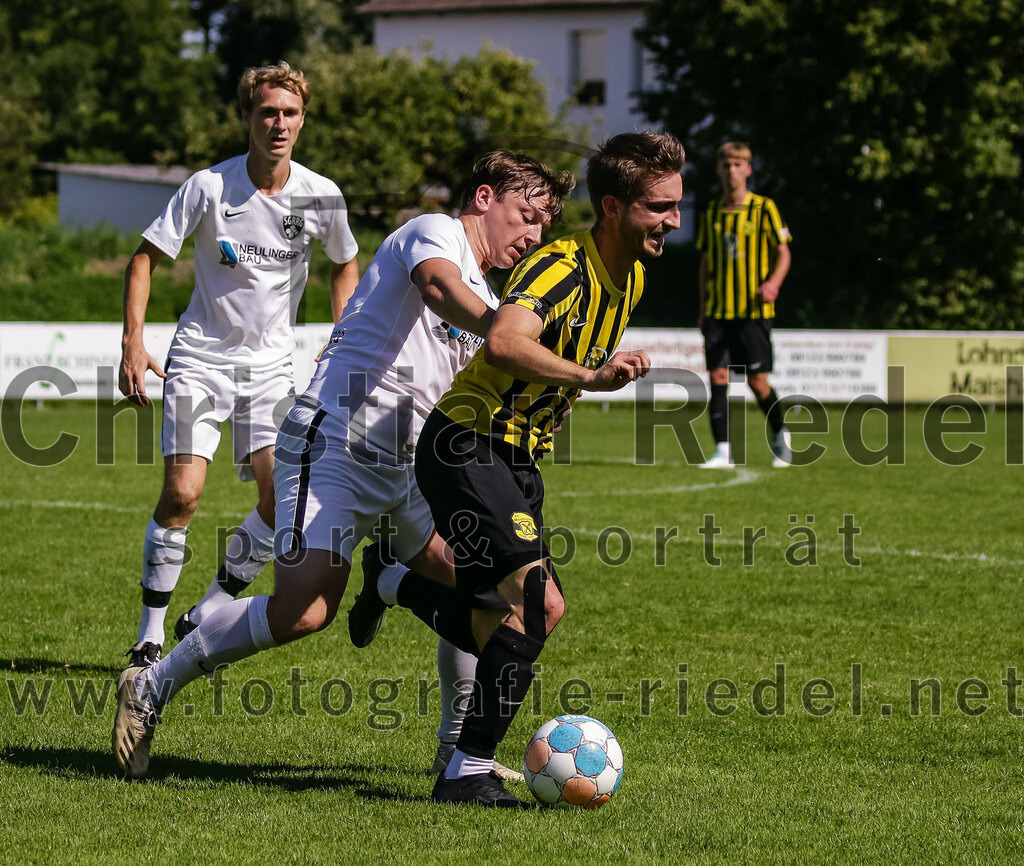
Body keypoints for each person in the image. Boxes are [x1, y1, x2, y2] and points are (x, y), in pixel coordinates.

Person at [111, 151, 575, 782]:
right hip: (336, 447)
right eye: (528, 217)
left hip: (412, 470)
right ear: (485, 198)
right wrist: (507, 331)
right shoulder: (435, 232)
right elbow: (439, 288)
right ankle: (153, 682)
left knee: (489, 589)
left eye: (545, 228)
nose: (534, 237)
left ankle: (456, 753)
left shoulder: (496, 295)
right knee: (306, 611)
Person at [350, 131, 685, 807]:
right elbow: (504, 341)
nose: (673, 220)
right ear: (615, 208)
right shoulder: (562, 264)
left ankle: (390, 579)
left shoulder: (634, 278)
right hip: (465, 444)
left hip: (516, 457)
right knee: (540, 604)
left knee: (492, 617)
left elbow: (551, 359)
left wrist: (562, 395)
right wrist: (589, 377)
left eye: (677, 205)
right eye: (659, 207)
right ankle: (467, 769)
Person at [116, 62, 360, 672]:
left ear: (303, 121)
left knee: (284, 500)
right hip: (200, 358)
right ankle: (148, 636)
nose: (278, 124)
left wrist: (343, 338)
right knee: (183, 494)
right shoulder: (208, 187)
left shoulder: (321, 195)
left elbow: (345, 264)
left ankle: (210, 605)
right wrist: (132, 342)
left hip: (272, 367)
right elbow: (143, 260)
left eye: (290, 114)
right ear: (247, 117)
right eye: (267, 112)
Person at [696, 141, 793, 468]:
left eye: (738, 165)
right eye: (726, 165)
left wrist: (774, 283)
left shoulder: (764, 208)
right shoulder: (711, 212)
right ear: (720, 169)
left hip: (753, 313)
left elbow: (784, 252)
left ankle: (782, 436)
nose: (731, 170)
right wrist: (703, 308)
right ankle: (723, 451)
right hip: (719, 313)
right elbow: (706, 262)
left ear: (748, 170)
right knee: (718, 378)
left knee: (757, 382)